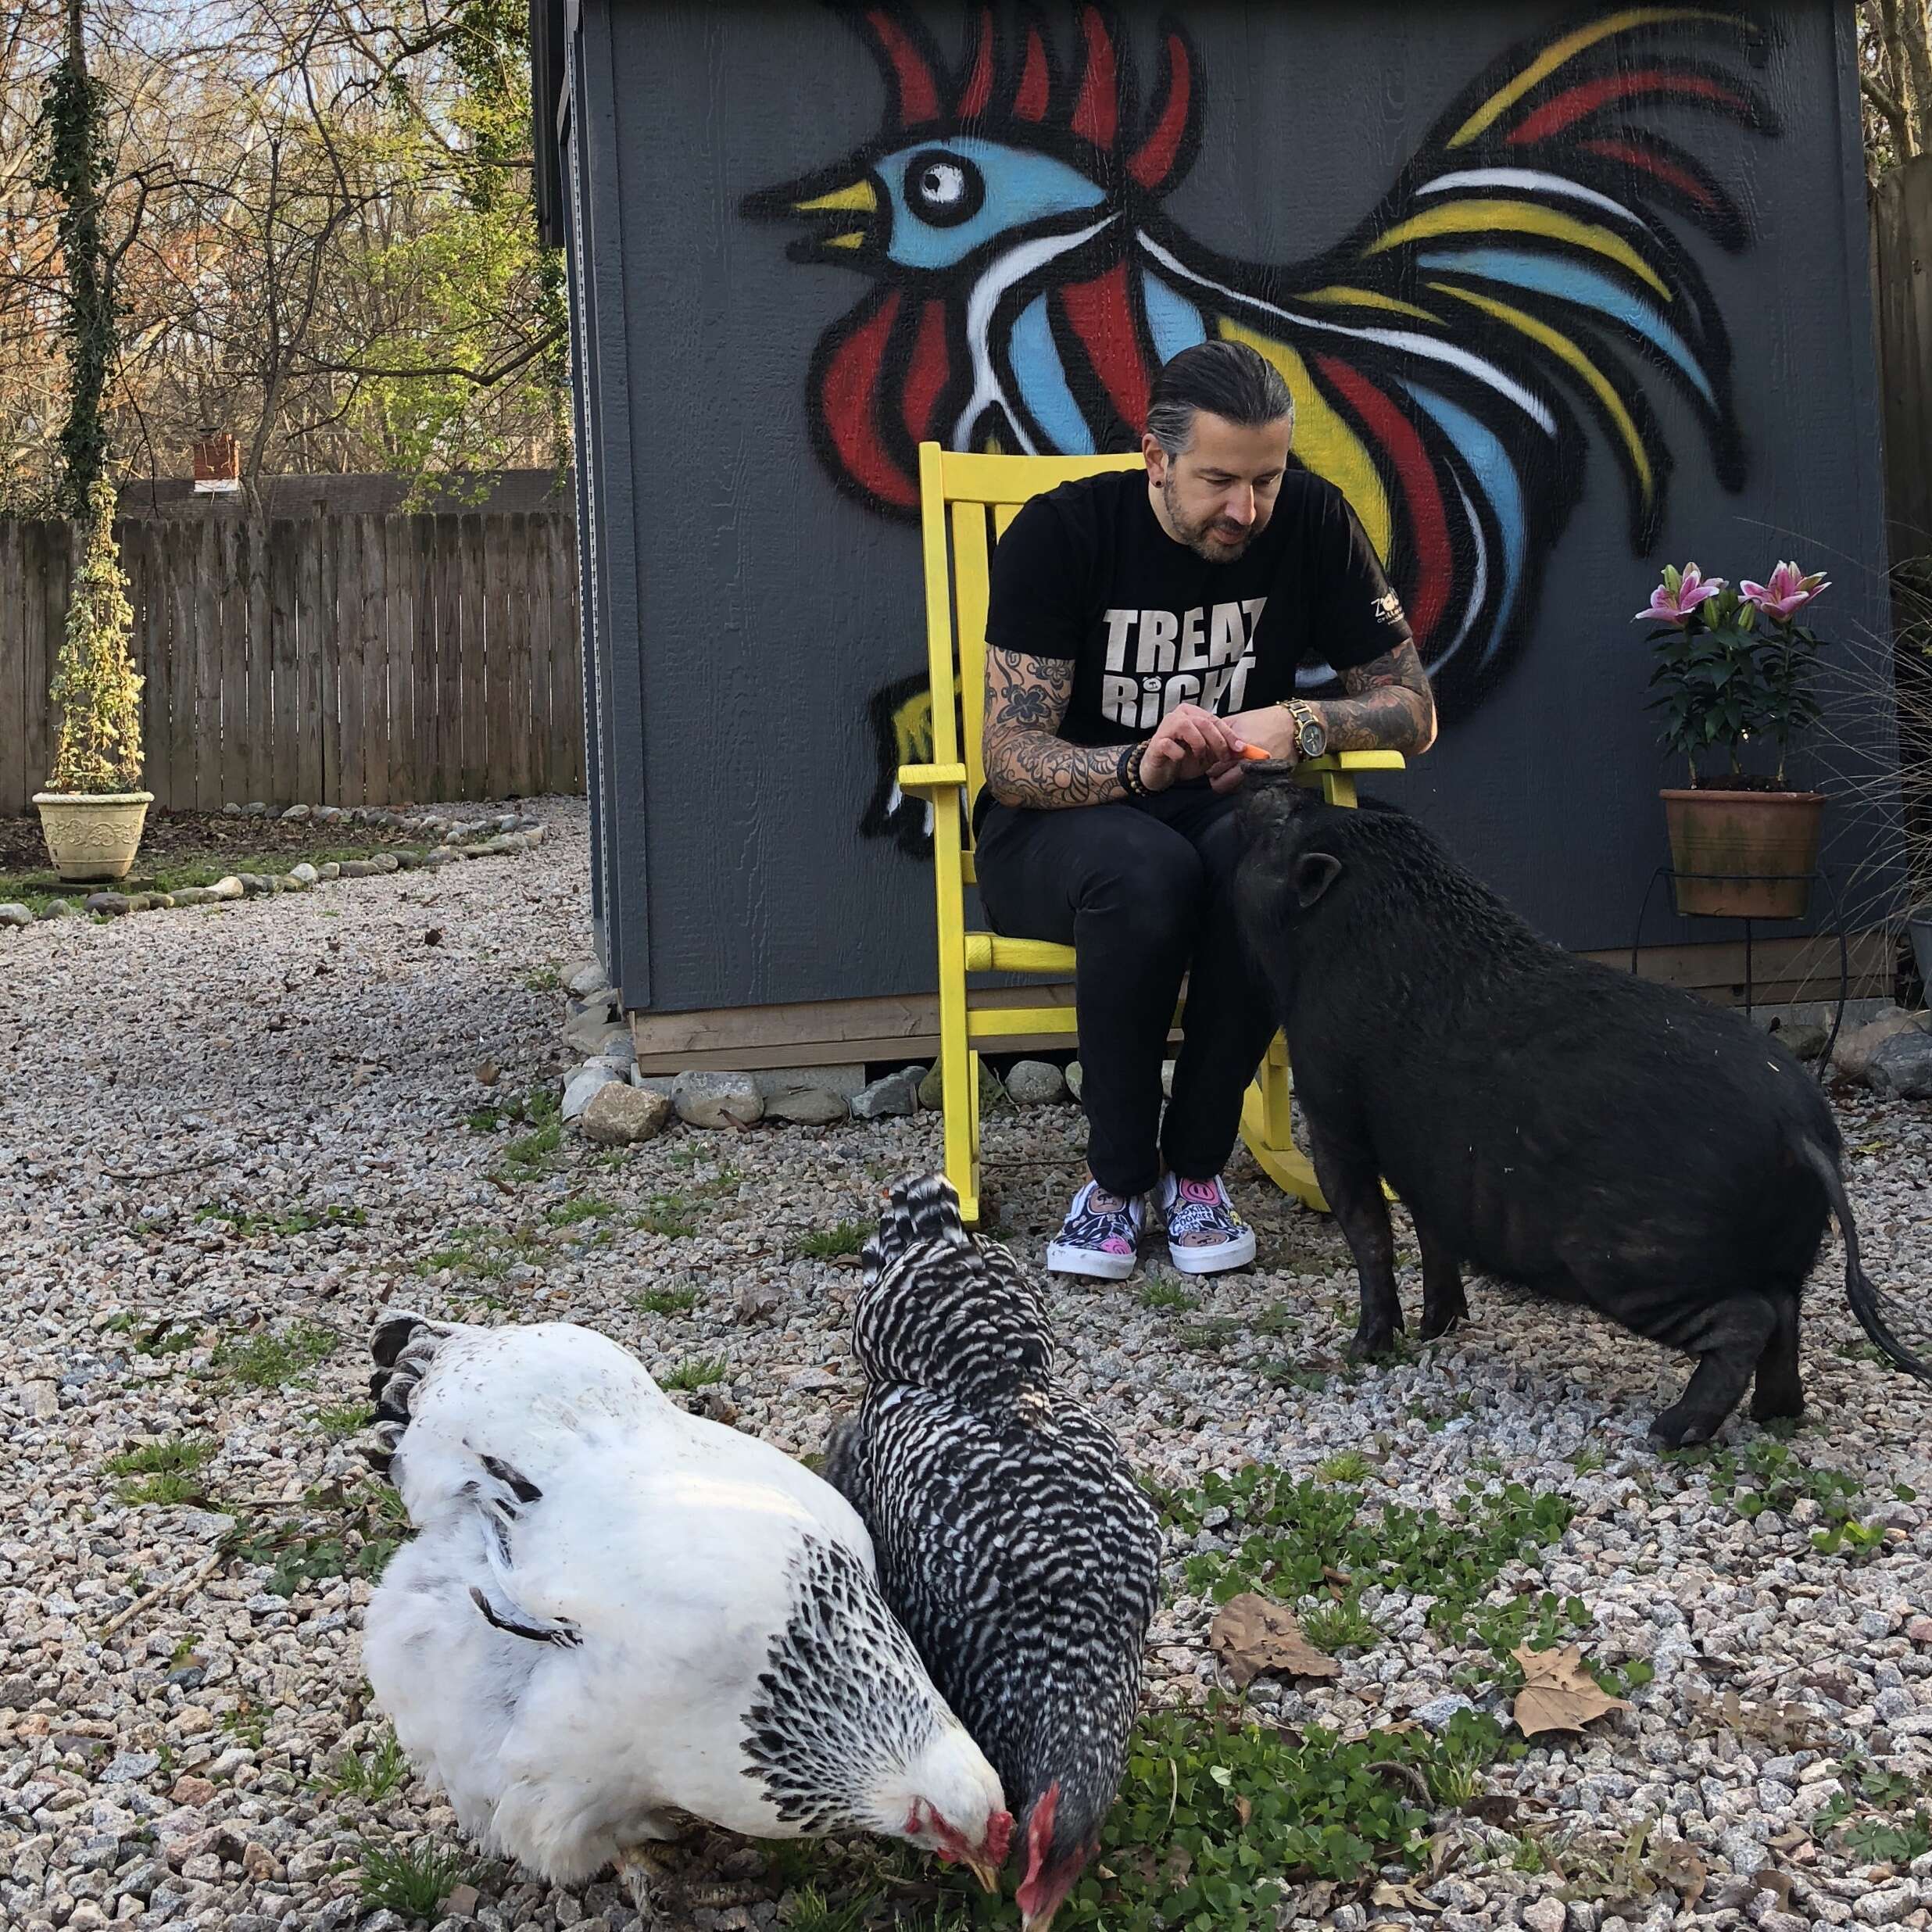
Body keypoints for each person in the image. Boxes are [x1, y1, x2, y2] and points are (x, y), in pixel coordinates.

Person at [974, 338, 1436, 1279]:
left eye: (1266, 479)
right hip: (1056, 832)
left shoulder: (1310, 521)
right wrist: (1142, 764)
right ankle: (1114, 1181)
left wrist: (1295, 721)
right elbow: (1012, 759)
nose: (1246, 509)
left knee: (1293, 866)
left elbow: (1414, 709)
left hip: (1223, 807)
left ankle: (1195, 1168)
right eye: (1220, 480)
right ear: (1156, 458)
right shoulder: (1064, 534)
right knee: (1147, 873)